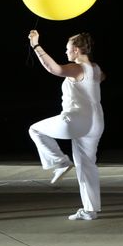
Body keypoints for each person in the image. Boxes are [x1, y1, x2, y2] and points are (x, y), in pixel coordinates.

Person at [27, 30, 105, 221]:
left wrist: (36, 46)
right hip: (96, 122)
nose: (66, 52)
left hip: (77, 119)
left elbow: (54, 69)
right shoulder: (94, 67)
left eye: (68, 49)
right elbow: (102, 77)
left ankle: (59, 162)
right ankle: (90, 210)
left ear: (77, 50)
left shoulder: (77, 68)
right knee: (87, 165)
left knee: (35, 129)